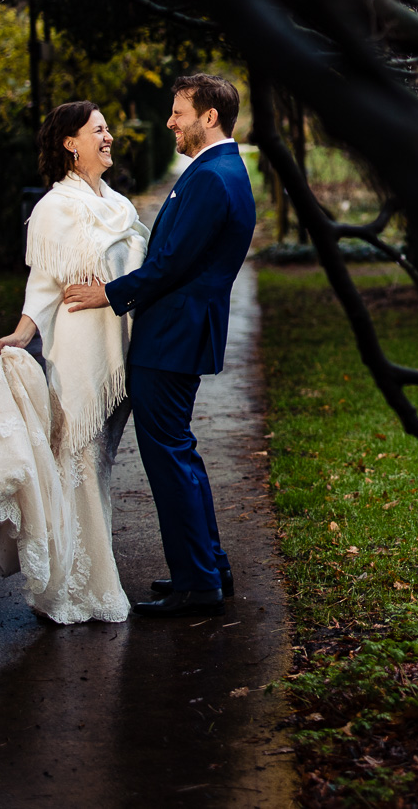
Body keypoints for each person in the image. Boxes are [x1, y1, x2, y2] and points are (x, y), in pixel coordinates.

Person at [0, 101, 148, 624]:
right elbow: (43, 286)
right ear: (71, 143)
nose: (109, 137)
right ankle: (71, 588)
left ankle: (88, 574)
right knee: (80, 465)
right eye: (99, 130)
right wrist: (21, 335)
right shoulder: (53, 210)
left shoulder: (120, 204)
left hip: (121, 356)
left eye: (108, 129)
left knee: (101, 466)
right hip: (80, 356)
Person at [63, 74, 255, 618]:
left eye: (178, 112)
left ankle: (199, 581)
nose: (170, 121)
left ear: (209, 117)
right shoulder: (215, 172)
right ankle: (207, 568)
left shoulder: (214, 178)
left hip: (172, 336)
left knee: (169, 455)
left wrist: (110, 294)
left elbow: (171, 265)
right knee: (179, 451)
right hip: (178, 333)